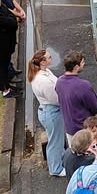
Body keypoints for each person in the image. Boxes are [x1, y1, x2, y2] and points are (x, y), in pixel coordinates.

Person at [29, 49, 67, 177]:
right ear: (43, 62)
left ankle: (60, 162)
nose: (51, 58)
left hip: (50, 111)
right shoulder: (43, 80)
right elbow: (55, 99)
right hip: (51, 111)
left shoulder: (44, 72)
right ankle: (55, 168)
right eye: (49, 57)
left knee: (57, 139)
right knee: (55, 141)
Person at [56, 51, 97, 141]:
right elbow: (94, 107)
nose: (84, 64)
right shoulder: (84, 85)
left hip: (69, 129)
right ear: (76, 67)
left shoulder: (59, 82)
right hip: (84, 130)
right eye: (82, 63)